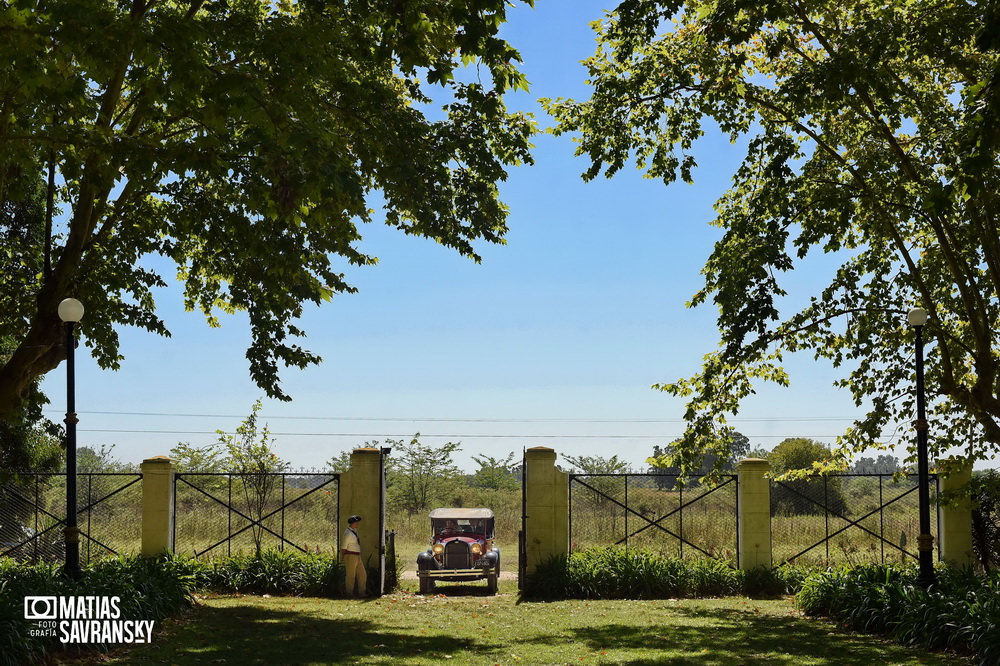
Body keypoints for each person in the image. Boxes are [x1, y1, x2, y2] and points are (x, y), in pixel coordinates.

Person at [342, 515, 367, 597]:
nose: (357, 524)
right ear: (352, 523)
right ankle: (349, 594)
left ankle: (362, 593)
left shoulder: (354, 531)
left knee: (362, 575)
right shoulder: (347, 533)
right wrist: (343, 557)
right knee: (350, 576)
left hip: (357, 555)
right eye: (356, 522)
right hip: (350, 555)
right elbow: (344, 547)